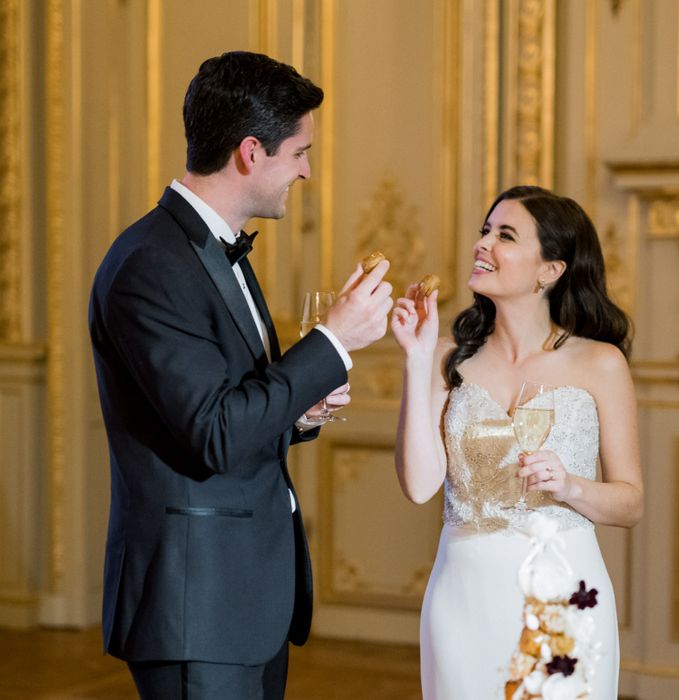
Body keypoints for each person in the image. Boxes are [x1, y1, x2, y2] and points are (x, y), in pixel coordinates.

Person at [88, 51, 393, 700]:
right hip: (196, 606)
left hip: (244, 600)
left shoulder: (210, 249)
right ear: (252, 153)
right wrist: (334, 340)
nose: (307, 170)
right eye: (299, 152)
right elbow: (216, 433)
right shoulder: (150, 265)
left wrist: (302, 410)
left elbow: (228, 407)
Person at [391, 185, 643, 698]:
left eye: (505, 235)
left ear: (550, 270)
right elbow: (419, 486)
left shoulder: (600, 363)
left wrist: (570, 485)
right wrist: (417, 360)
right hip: (461, 597)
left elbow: (630, 502)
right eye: (485, 231)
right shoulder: (447, 358)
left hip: (563, 595)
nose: (483, 244)